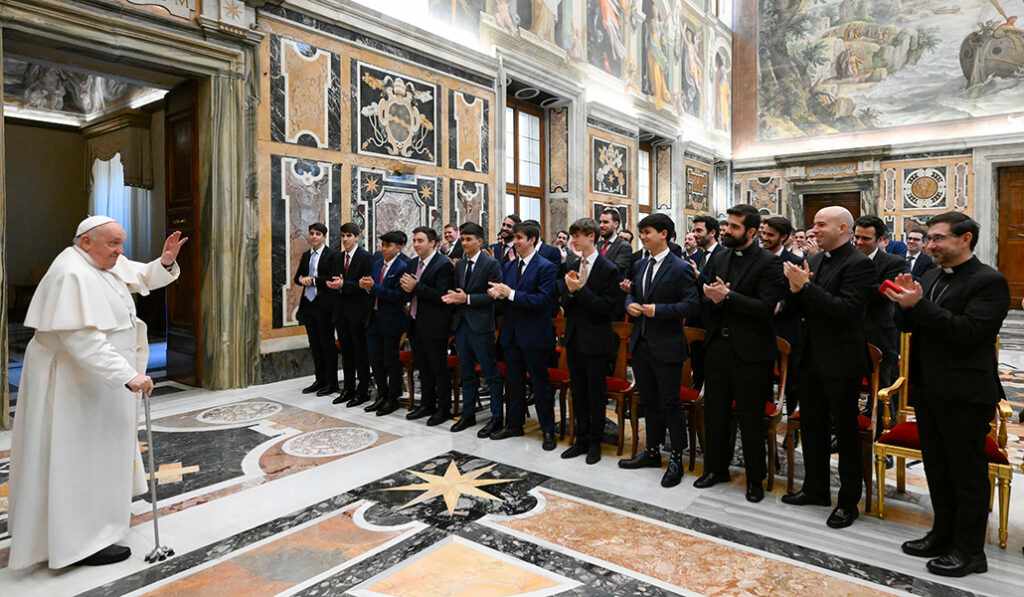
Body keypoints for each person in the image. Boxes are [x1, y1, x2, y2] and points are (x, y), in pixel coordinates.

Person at [9, 216, 185, 568]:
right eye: (113, 243)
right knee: (76, 460)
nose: (120, 251)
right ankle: (78, 542)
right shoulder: (70, 273)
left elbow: (140, 275)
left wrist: (165, 261)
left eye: (122, 243)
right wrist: (128, 375)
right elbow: (81, 340)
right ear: (86, 241)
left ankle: (97, 528)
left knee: (98, 456)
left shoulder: (99, 262)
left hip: (96, 383)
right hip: (73, 386)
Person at [883, 212, 1009, 578]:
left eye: (938, 238)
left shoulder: (989, 282)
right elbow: (909, 325)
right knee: (937, 468)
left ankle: (970, 552)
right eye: (929, 238)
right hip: (929, 388)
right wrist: (902, 305)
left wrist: (918, 306)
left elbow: (968, 332)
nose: (931, 245)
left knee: (966, 474)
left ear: (965, 239)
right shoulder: (933, 274)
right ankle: (941, 534)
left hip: (966, 393)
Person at [781, 206, 873, 529]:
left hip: (842, 361)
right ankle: (816, 488)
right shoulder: (816, 260)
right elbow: (796, 308)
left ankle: (848, 501)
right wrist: (794, 289)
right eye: (814, 224)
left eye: (821, 225)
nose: (814, 230)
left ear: (843, 228)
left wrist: (804, 287)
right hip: (811, 357)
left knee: (845, 433)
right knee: (812, 426)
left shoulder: (859, 264)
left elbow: (845, 311)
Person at [694, 205, 783, 502]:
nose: (726, 230)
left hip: (752, 352)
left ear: (752, 232)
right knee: (715, 413)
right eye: (726, 225)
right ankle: (716, 469)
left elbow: (766, 308)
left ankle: (754, 479)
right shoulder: (719, 257)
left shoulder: (769, 263)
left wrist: (729, 297)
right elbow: (704, 295)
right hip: (718, 347)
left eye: (734, 227)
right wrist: (712, 297)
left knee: (750, 418)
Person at [617, 214, 700, 487]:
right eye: (641, 232)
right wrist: (630, 303)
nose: (642, 236)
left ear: (663, 234)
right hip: (641, 343)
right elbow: (633, 293)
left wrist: (658, 311)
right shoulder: (640, 264)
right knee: (648, 401)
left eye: (647, 232)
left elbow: (691, 305)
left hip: (667, 345)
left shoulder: (680, 268)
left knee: (670, 403)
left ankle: (676, 456)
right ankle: (652, 451)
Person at [487, 220, 559, 451]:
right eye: (514, 237)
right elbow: (507, 301)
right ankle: (514, 424)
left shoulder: (546, 267)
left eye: (519, 238)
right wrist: (498, 295)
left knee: (540, 385)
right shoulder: (508, 267)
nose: (515, 242)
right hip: (512, 334)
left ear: (532, 240)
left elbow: (542, 301)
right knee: (514, 383)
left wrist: (511, 294)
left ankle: (547, 429)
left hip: (535, 334)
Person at [558, 218, 625, 465]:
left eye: (578, 236)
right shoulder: (573, 265)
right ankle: (581, 439)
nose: (573, 240)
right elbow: (565, 302)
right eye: (573, 235)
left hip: (596, 339)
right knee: (578, 391)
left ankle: (595, 442)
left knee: (595, 393)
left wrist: (580, 291)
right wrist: (569, 293)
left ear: (592, 237)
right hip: (574, 337)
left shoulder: (609, 269)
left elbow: (609, 308)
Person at [443, 223, 504, 435]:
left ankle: (497, 418)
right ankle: (468, 415)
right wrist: (453, 298)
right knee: (466, 373)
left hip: (481, 325)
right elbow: (458, 290)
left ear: (480, 241)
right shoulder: (459, 265)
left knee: (490, 373)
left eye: (469, 239)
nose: (464, 243)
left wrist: (466, 298)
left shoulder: (491, 264)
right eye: (463, 239)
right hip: (462, 325)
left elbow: (493, 296)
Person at [401, 226, 456, 426]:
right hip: (416, 322)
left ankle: (443, 409)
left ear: (432, 243)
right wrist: (406, 289)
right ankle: (426, 404)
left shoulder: (443, 265)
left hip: (435, 325)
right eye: (414, 240)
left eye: (420, 240)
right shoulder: (412, 263)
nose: (416, 244)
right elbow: (408, 292)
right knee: (422, 367)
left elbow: (442, 295)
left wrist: (416, 287)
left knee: (438, 368)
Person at [853, 215, 909, 390]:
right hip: (850, 331)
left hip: (879, 331)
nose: (859, 242)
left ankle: (884, 417)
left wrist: (851, 285)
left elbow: (884, 293)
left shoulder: (894, 263)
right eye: (856, 237)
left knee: (882, 385)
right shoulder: (847, 259)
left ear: (880, 240)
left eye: (865, 238)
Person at [360, 231, 410, 416]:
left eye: (388, 246)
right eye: (382, 245)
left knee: (391, 361)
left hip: (391, 320)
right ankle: (381, 394)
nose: (383, 249)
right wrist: (366, 287)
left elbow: (398, 297)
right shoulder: (377, 264)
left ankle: (392, 398)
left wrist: (374, 287)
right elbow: (372, 288)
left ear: (398, 248)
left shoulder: (403, 267)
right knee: (375, 359)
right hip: (373, 318)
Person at [326, 223, 373, 406]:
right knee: (347, 354)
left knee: (360, 353)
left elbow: (365, 286)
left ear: (357, 237)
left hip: (358, 313)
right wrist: (335, 284)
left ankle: (363, 390)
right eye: (343, 235)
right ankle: (348, 388)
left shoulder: (365, 258)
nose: (345, 239)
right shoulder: (338, 258)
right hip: (341, 313)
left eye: (349, 236)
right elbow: (334, 279)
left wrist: (344, 285)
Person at [761, 216, 804, 414]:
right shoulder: (758, 259)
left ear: (784, 237)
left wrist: (783, 305)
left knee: (794, 381)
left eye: (770, 235)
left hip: (788, 328)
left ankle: (794, 425)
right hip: (762, 326)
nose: (765, 238)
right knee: (763, 378)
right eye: (764, 233)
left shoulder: (796, 262)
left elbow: (802, 297)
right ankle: (766, 417)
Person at [294, 223, 340, 396]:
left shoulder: (332, 255)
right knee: (314, 345)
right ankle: (319, 379)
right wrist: (302, 279)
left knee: (327, 345)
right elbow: (297, 277)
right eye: (311, 233)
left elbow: (332, 278)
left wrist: (313, 281)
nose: (314, 236)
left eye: (318, 234)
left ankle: (332, 382)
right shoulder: (306, 255)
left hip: (325, 306)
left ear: (324, 237)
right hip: (308, 305)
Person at [597, 208, 633, 276]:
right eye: (600, 222)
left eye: (605, 222)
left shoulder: (624, 247)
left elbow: (615, 270)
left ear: (615, 224)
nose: (601, 225)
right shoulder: (598, 245)